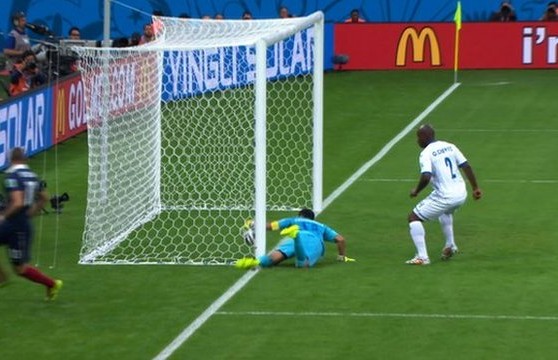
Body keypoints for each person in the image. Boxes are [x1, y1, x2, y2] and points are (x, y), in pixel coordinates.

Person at [406, 124, 482, 265]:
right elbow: (466, 165)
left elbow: (426, 176)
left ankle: (422, 257)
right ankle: (450, 245)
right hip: (461, 193)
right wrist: (475, 188)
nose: (417, 141)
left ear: (424, 137)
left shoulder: (426, 153)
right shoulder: (449, 146)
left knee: (413, 217)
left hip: (445, 196)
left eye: (418, 137)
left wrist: (416, 191)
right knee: (445, 212)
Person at [0, 147, 63, 299]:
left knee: (20, 269)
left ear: (10, 159)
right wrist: (31, 214)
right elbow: (44, 198)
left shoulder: (11, 176)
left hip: (15, 225)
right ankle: (1, 278)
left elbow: (17, 202)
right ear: (25, 159)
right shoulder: (33, 176)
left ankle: (52, 283)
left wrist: (3, 216)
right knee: (19, 269)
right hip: (21, 224)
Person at [235, 208, 355, 269]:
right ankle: (296, 235)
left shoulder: (293, 220)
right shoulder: (321, 226)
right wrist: (341, 257)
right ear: (312, 219)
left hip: (291, 240)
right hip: (312, 240)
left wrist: (252, 224)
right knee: (303, 265)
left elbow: (270, 226)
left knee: (274, 259)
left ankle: (256, 261)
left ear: (300, 215)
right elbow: (340, 239)